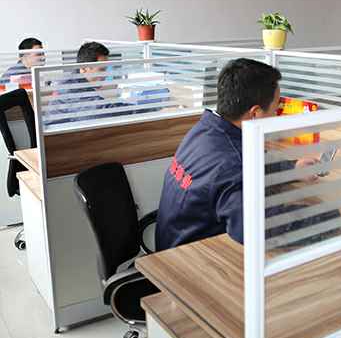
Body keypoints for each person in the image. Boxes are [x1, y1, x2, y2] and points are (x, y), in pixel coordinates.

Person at [156, 58, 325, 250]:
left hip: (176, 239)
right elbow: (265, 229)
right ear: (255, 113)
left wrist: (293, 169)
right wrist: (337, 215)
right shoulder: (231, 164)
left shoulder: (206, 129)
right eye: (276, 108)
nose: (276, 114)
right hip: (190, 256)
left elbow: (246, 160)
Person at [46, 42, 128, 126]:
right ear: (84, 68)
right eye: (102, 69)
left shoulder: (79, 82)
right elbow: (99, 112)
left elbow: (99, 104)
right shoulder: (71, 88)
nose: (106, 74)